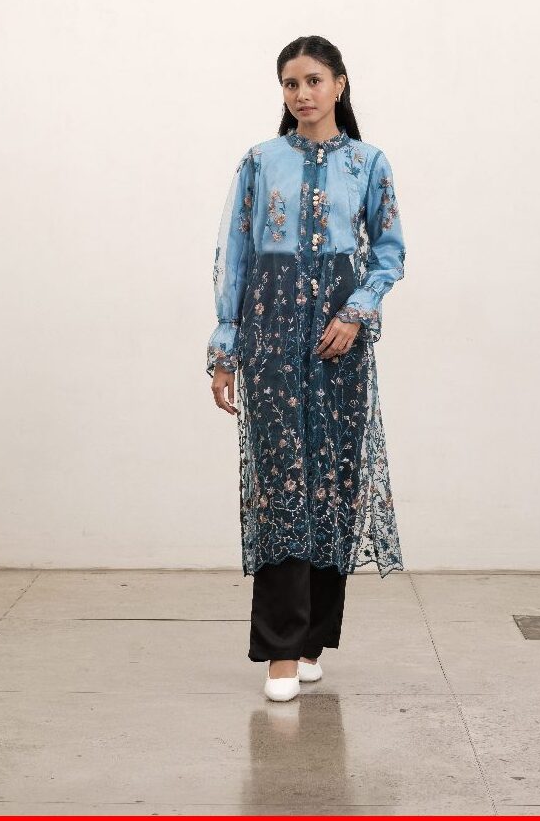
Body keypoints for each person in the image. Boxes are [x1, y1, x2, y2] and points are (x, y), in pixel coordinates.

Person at [207, 35, 407, 701]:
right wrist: (227, 347)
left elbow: (390, 253)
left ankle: (313, 640)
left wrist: (355, 313)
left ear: (340, 84)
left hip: (338, 341)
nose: (302, 94)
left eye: (313, 80)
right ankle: (281, 654)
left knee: (333, 481)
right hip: (270, 335)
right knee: (283, 484)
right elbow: (236, 255)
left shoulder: (369, 163)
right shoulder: (260, 161)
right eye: (290, 84)